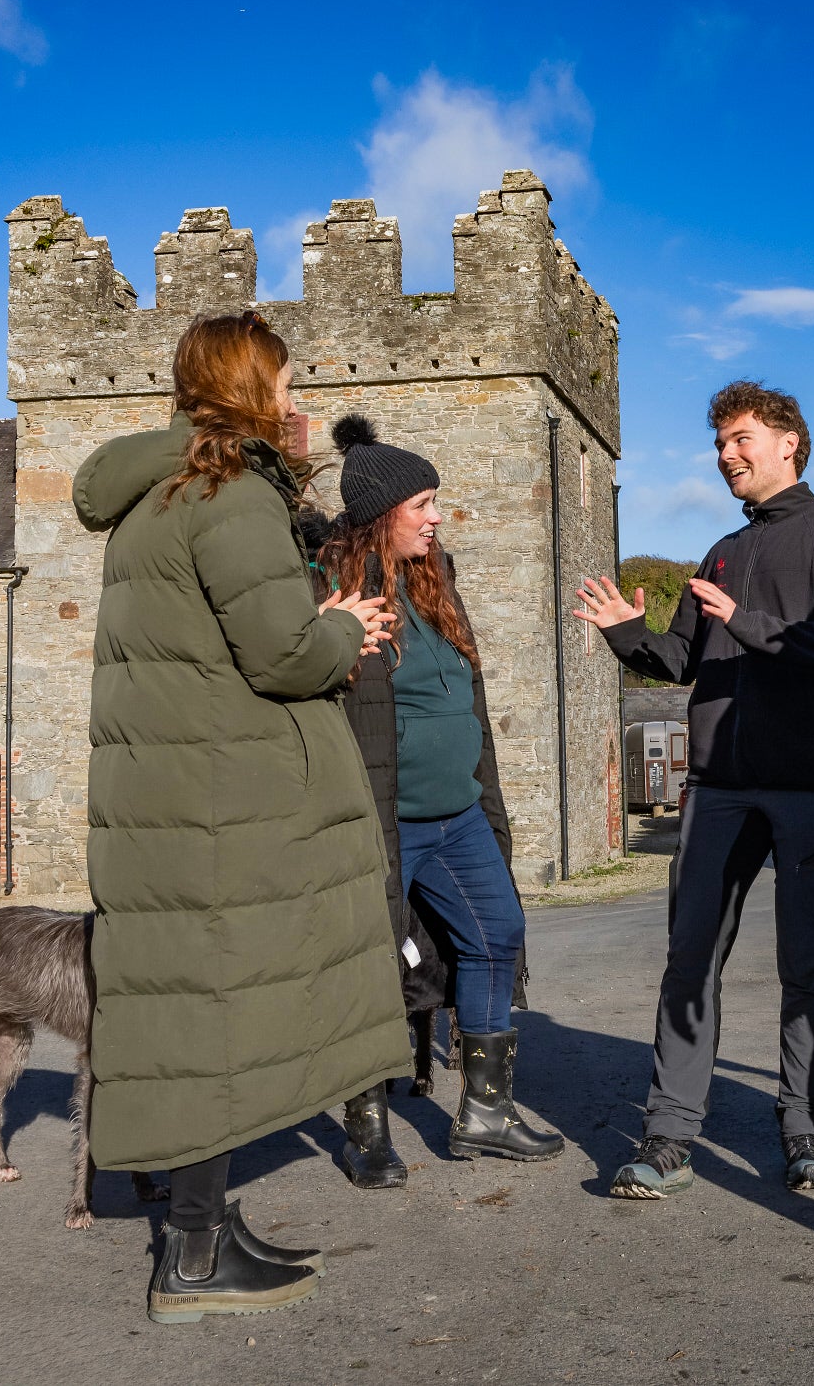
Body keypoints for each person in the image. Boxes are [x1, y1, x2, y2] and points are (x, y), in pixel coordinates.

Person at [73, 312, 405, 1324]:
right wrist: (345, 622)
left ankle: (203, 1227)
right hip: (222, 803)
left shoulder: (161, 492)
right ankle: (194, 1256)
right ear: (252, 387)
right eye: (289, 382)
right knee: (216, 1013)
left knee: (198, 1009)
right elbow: (280, 654)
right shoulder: (229, 493)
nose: (300, 402)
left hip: (176, 797)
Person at [572, 379, 814, 1198]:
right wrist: (625, 636)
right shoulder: (718, 552)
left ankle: (806, 1132)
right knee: (689, 959)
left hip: (809, 786)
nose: (725, 455)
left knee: (807, 966)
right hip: (717, 787)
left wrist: (744, 620)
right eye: (718, 443)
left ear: (789, 440)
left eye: (740, 438)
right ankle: (670, 1136)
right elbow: (681, 661)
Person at [305, 414, 564, 1187]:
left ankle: (484, 1113)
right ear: (383, 510)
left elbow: (469, 694)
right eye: (423, 503)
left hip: (457, 816)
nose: (435, 516)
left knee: (498, 932)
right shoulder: (328, 585)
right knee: (372, 968)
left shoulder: (433, 577)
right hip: (382, 821)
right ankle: (368, 1130)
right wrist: (323, 632)